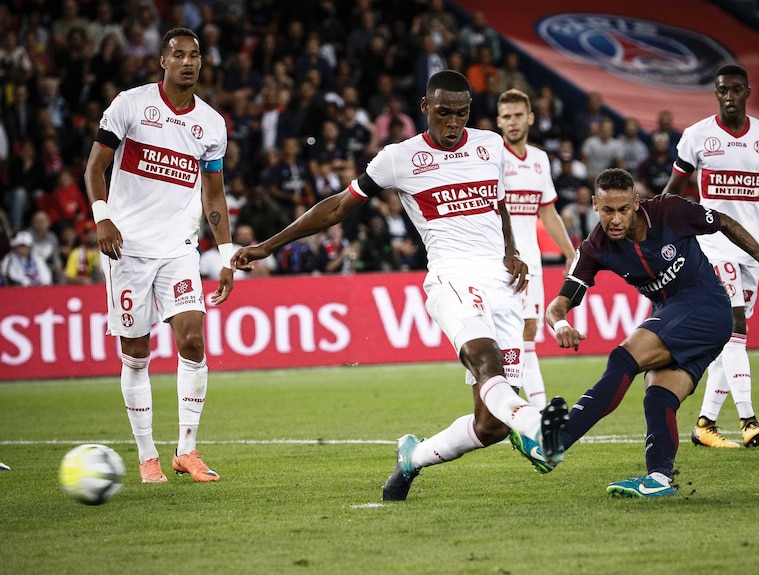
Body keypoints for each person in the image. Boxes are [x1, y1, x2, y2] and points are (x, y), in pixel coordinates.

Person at [232, 70, 570, 501]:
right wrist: (268, 246)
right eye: (444, 113)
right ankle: (538, 426)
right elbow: (337, 207)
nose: (453, 124)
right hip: (450, 278)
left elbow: (498, 202)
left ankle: (412, 458)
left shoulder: (489, 146)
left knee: (490, 427)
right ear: (425, 107)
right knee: (485, 361)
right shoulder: (399, 158)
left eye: (462, 114)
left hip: (502, 284)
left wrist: (510, 250)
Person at [542, 168, 759, 497]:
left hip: (707, 305)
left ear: (636, 202)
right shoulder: (595, 248)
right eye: (607, 211)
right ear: (594, 205)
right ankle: (659, 479)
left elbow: (726, 223)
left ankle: (559, 442)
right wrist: (561, 324)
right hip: (677, 316)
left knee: (623, 358)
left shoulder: (670, 211)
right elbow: (557, 306)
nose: (615, 219)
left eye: (623, 210)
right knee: (658, 397)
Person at [83, 28, 234, 484]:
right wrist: (101, 217)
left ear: (201, 63)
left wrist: (226, 253)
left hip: (178, 249)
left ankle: (186, 450)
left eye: (195, 56)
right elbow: (94, 167)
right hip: (127, 248)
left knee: (192, 340)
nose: (187, 62)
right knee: (136, 353)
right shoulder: (130, 104)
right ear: (162, 61)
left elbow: (214, 194)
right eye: (178, 55)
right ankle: (147, 455)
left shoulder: (211, 124)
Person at [663, 64, 759, 449]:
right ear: (716, 94)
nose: (728, 96)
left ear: (747, 91)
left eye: (735, 90)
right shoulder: (697, 136)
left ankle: (705, 423)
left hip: (750, 248)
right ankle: (748, 419)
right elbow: (673, 190)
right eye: (722, 90)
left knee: (732, 337)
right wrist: (662, 230)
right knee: (736, 327)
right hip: (712, 246)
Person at [497, 88, 576, 408]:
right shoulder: (493, 156)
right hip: (500, 259)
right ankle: (520, 408)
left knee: (527, 330)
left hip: (532, 260)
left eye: (518, 115)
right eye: (506, 117)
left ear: (530, 118)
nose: (512, 122)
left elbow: (547, 212)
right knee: (509, 334)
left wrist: (571, 253)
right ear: (499, 122)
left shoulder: (540, 159)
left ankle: (534, 412)